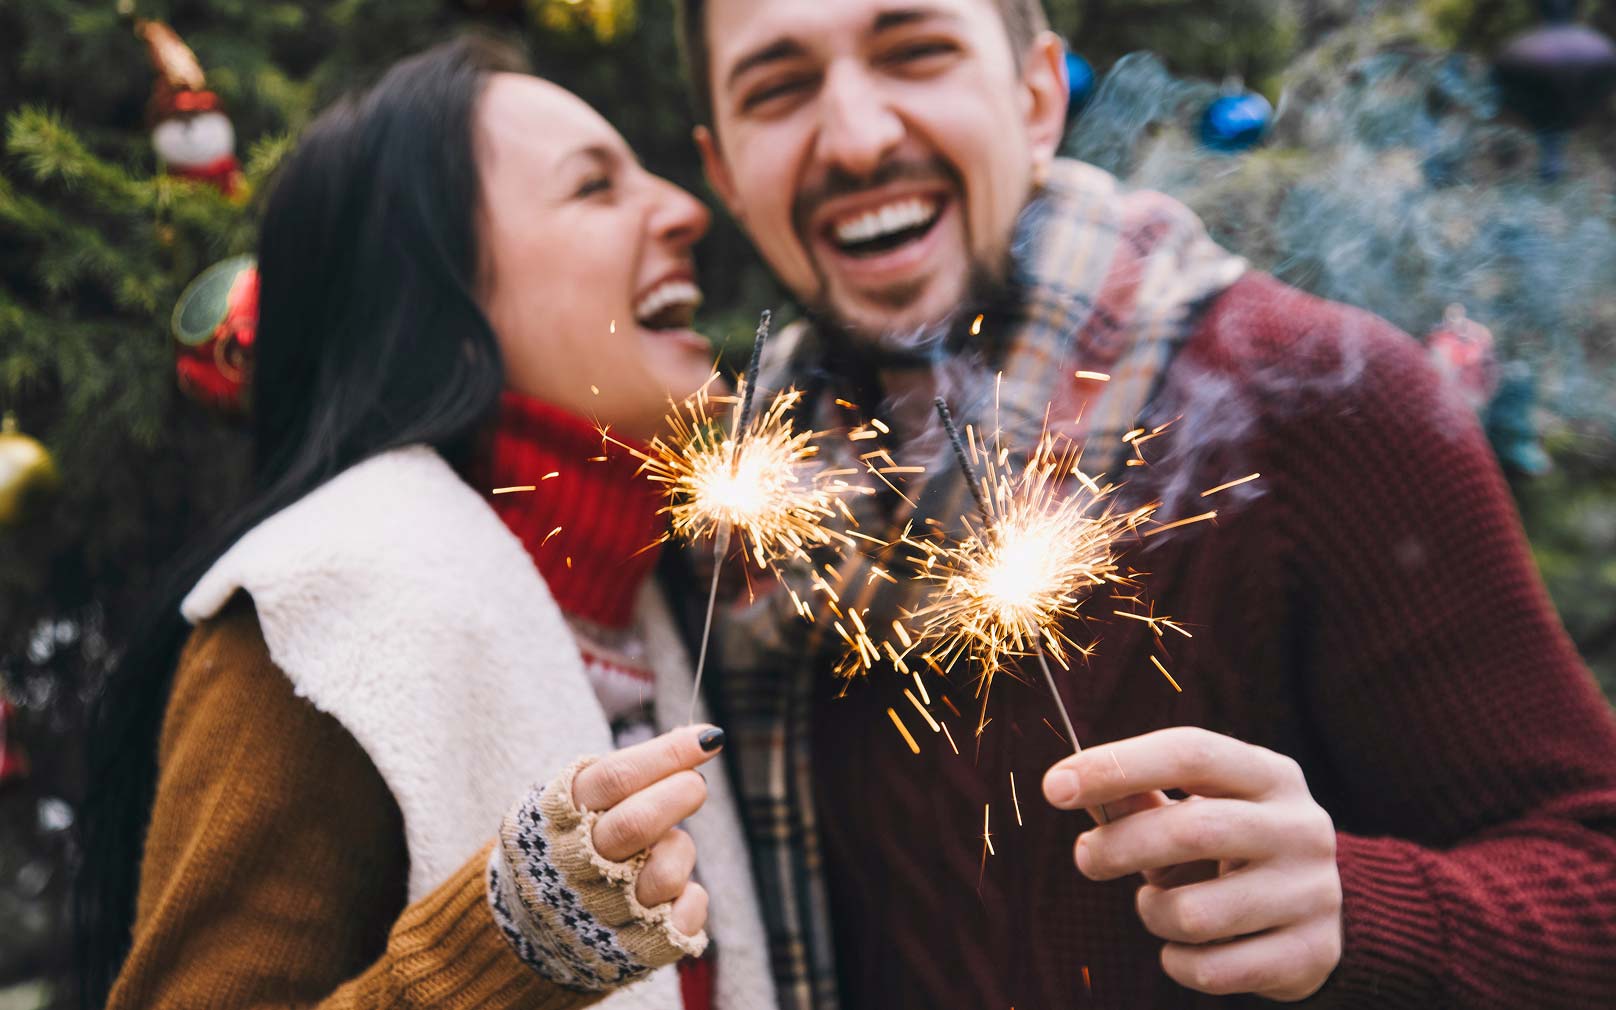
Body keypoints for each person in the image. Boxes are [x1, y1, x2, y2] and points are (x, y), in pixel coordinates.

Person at [674, 0, 1616, 1007]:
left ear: (1035, 96)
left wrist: (1360, 910)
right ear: (725, 169)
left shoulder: (1313, 396)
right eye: (777, 88)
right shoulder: (736, 509)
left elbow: (1593, 877)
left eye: (915, 52)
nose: (856, 139)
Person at [74, 37, 778, 1010]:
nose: (686, 207)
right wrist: (503, 955)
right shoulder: (318, 615)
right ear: (437, 299)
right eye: (593, 188)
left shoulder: (660, 599)